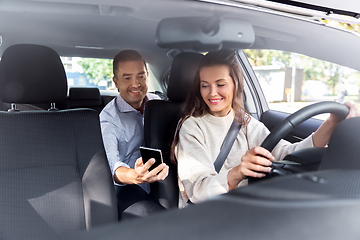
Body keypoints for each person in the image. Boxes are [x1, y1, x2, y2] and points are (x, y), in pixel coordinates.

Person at [171, 49, 360, 208]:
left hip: (248, 205)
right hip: (208, 213)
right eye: (205, 86)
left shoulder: (243, 121)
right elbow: (197, 191)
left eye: (220, 84)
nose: (212, 93)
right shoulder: (191, 127)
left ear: (236, 85)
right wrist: (237, 173)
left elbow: (287, 154)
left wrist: (332, 123)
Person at [100, 50, 169, 220]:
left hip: (164, 179)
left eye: (141, 76)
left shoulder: (159, 104)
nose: (136, 84)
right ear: (116, 82)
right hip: (129, 185)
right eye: (127, 78)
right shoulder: (108, 119)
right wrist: (135, 176)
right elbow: (114, 168)